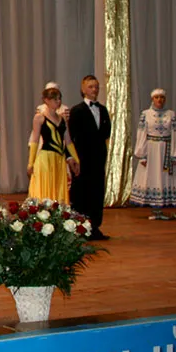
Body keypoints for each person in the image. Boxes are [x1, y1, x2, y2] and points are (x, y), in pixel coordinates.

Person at [67, 75, 111, 239]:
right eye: (91, 87)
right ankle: (80, 227)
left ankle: (95, 226)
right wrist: (72, 158)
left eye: (96, 87)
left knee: (97, 191)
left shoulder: (103, 110)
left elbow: (106, 132)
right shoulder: (77, 111)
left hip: (98, 158)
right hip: (82, 158)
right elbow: (70, 136)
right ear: (83, 89)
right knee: (81, 192)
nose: (94, 90)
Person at [130, 89, 176, 219]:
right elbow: (141, 134)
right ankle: (154, 210)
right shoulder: (145, 114)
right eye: (157, 97)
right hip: (151, 150)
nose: (159, 100)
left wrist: (175, 154)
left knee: (164, 178)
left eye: (162, 97)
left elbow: (175, 134)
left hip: (166, 150)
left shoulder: (171, 114)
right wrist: (142, 155)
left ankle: (160, 210)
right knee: (152, 177)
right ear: (152, 99)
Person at [27, 86, 81, 203]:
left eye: (59, 98)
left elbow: (68, 141)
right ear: (46, 100)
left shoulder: (62, 119)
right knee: (45, 190)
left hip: (59, 159)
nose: (58, 101)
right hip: (46, 159)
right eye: (55, 99)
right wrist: (31, 162)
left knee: (58, 191)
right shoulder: (39, 118)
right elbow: (35, 140)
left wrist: (77, 160)